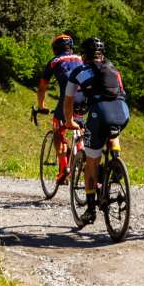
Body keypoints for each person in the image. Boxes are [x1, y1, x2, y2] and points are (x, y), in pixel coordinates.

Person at [65, 37, 129, 225]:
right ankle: (116, 161)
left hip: (99, 113)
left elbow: (68, 100)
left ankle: (91, 210)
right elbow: (120, 92)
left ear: (83, 55)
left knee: (91, 162)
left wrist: (69, 121)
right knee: (113, 130)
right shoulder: (113, 69)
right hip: (122, 112)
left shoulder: (79, 71)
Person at [36, 32, 85, 184]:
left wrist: (41, 106)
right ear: (71, 47)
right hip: (85, 100)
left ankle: (63, 169)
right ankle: (82, 149)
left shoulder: (54, 61)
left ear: (55, 49)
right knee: (78, 123)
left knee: (57, 128)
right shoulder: (81, 59)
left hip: (68, 100)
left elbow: (42, 86)